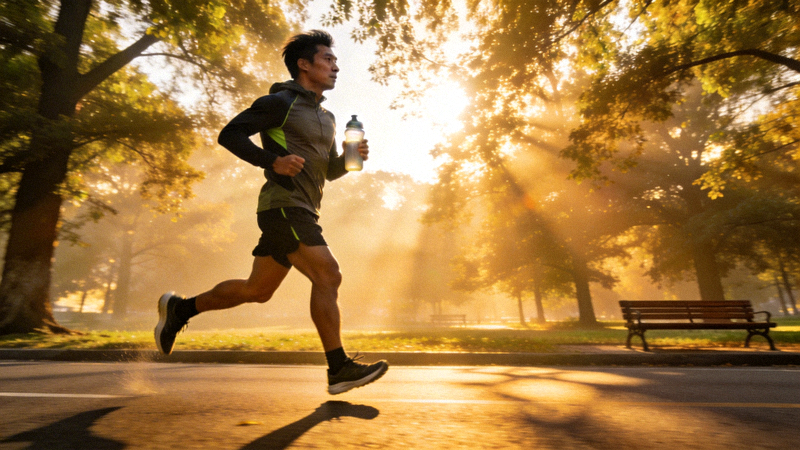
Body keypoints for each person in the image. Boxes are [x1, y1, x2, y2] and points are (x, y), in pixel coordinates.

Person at [154, 30, 388, 395]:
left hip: (302, 208)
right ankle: (339, 368)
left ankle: (181, 309)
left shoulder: (327, 116)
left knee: (257, 290)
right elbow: (230, 134)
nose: (335, 67)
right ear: (304, 64)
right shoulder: (280, 102)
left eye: (336, 61)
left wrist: (349, 160)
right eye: (328, 59)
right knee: (328, 275)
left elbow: (327, 171)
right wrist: (273, 161)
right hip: (283, 206)